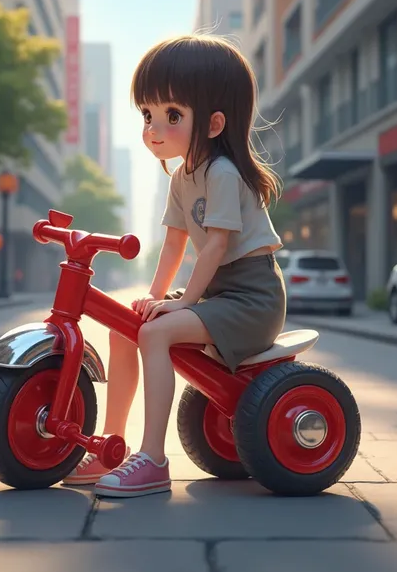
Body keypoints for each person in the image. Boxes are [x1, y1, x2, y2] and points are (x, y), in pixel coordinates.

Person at [63, 34, 286, 497]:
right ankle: (115, 443)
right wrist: (154, 295)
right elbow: (175, 242)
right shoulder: (184, 176)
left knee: (155, 332)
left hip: (252, 300)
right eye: (148, 115)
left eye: (172, 116)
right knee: (128, 324)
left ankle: (154, 459)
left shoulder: (223, 173)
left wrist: (182, 301)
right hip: (219, 297)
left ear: (213, 123)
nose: (153, 128)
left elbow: (215, 247)